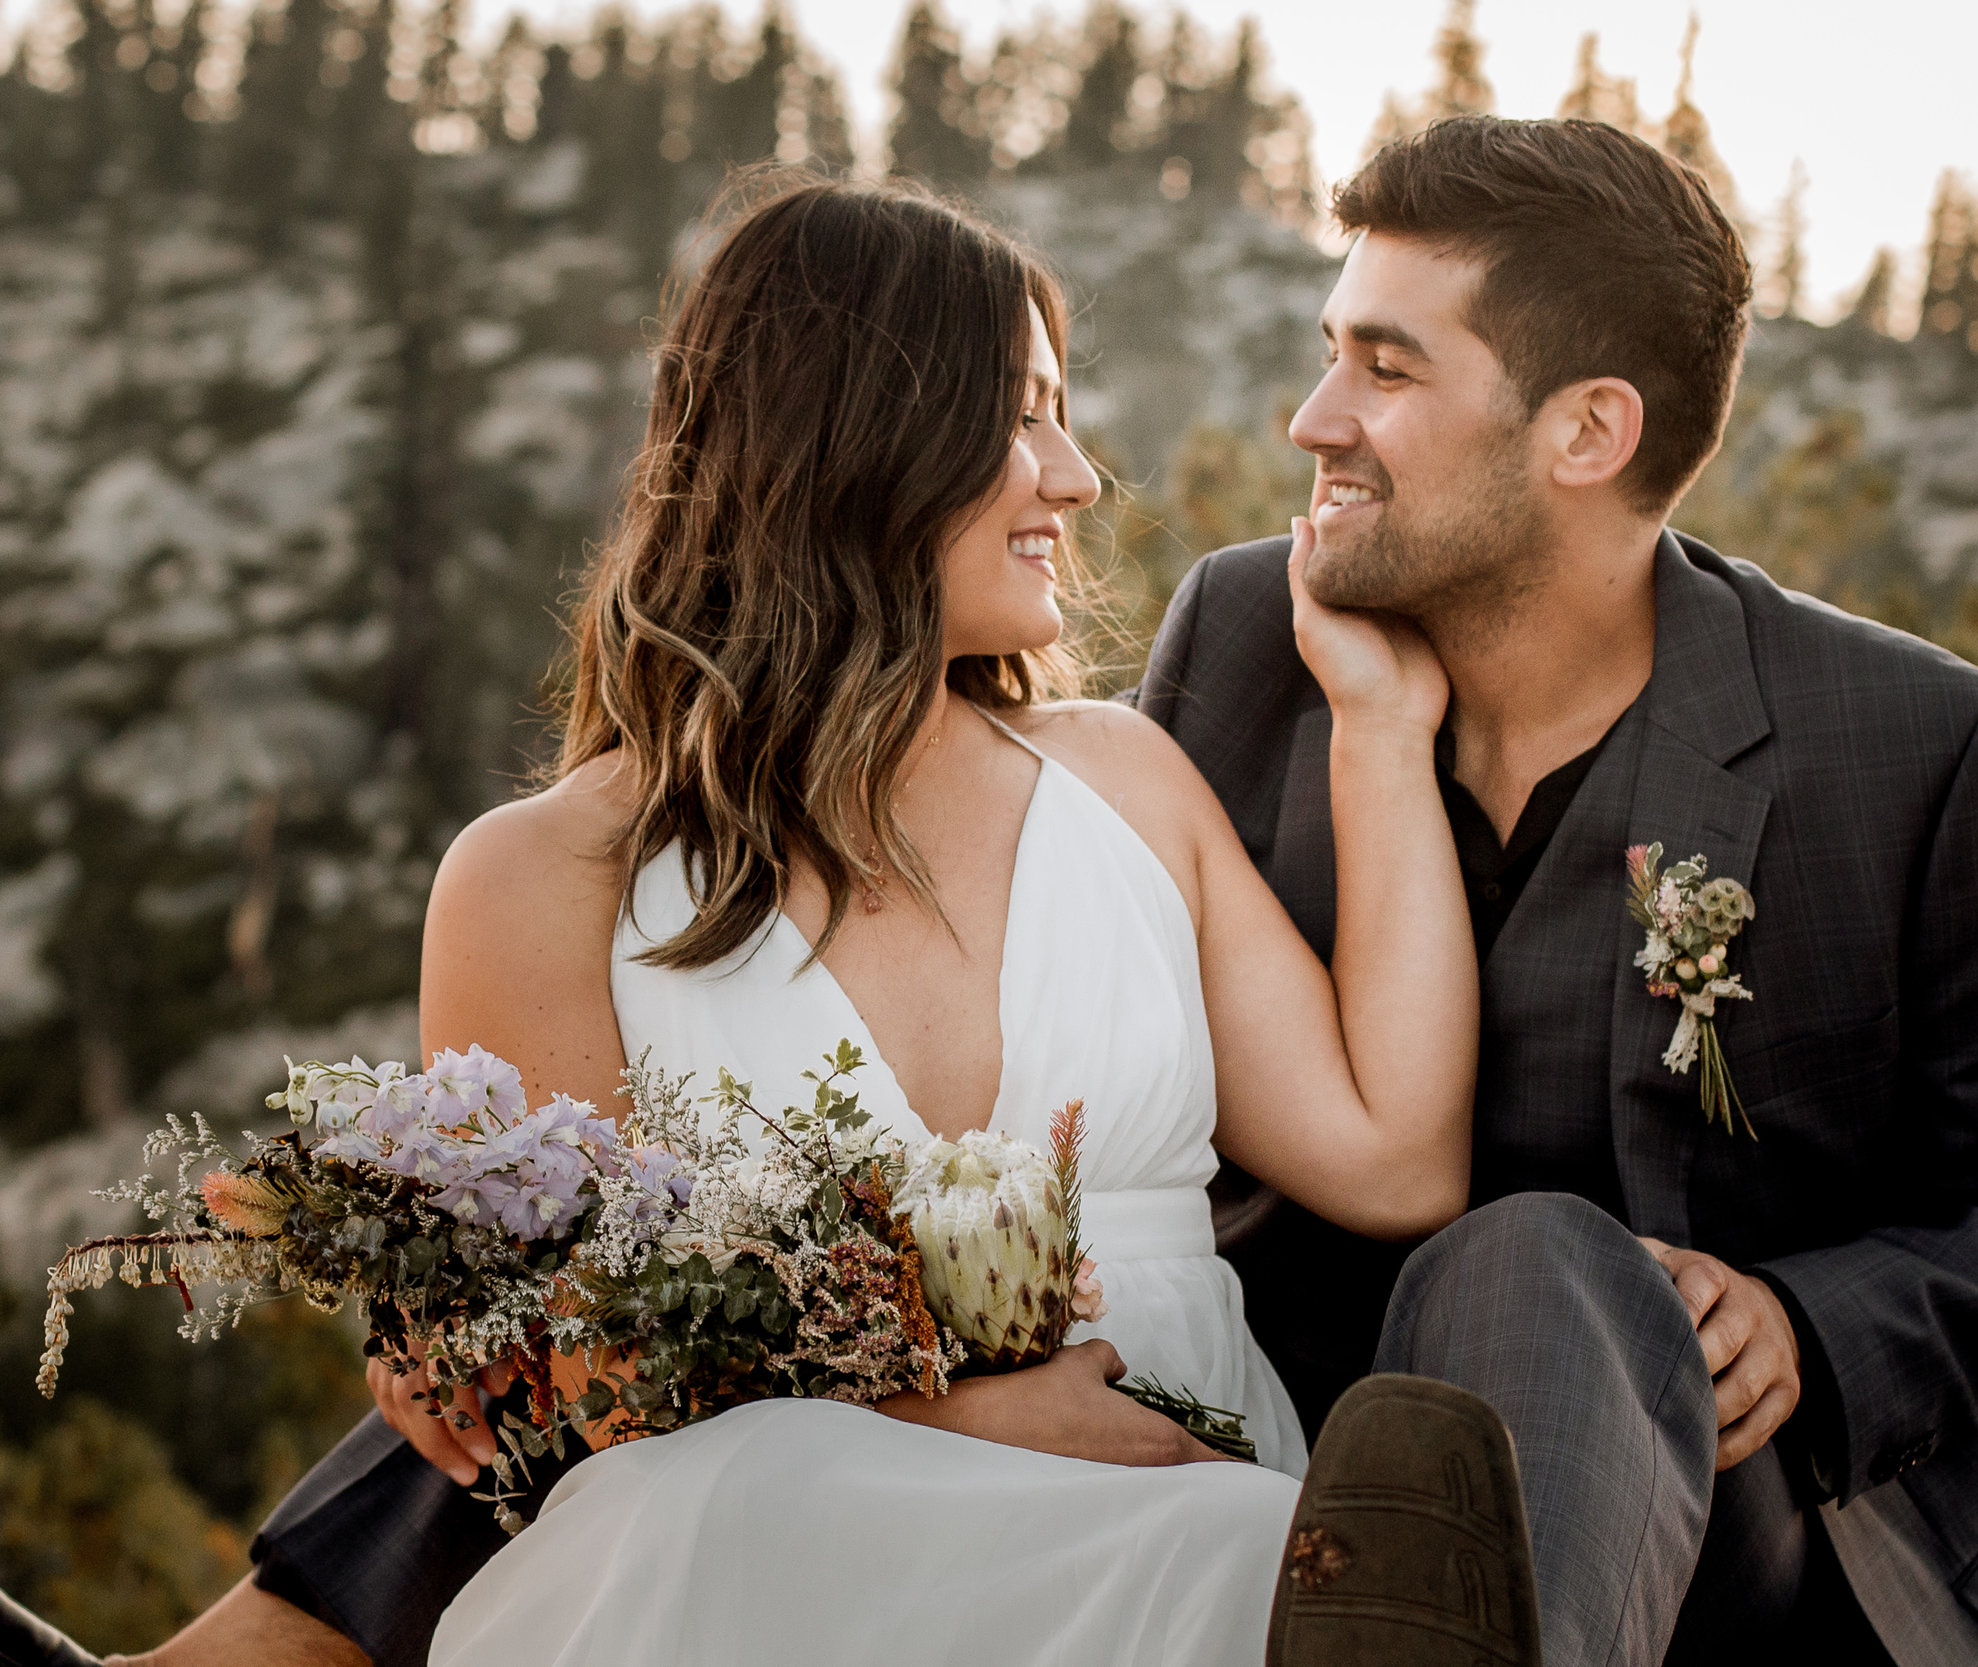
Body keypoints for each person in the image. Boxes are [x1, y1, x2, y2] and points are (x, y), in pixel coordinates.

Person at [14, 176, 1534, 1667]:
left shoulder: (1126, 784)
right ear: (858, 447)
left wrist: (1382, 729)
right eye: (1020, 415)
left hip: (1170, 1465)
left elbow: (1395, 1158)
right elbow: (554, 1374)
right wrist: (960, 1413)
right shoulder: (548, 877)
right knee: (817, 1512)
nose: (1073, 476)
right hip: (784, 1529)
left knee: (1274, 1558)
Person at [1161, 117, 1978, 1667]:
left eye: (1387, 367)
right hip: (1283, 1459)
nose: (1315, 420)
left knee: (1537, 1256)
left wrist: (1811, 1328)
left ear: (1586, 432)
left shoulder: (1915, 747)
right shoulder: (1247, 638)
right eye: (1332, 353)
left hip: (1743, 1533)